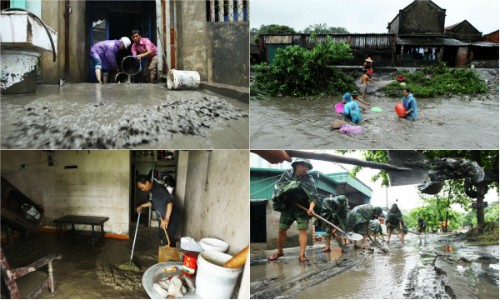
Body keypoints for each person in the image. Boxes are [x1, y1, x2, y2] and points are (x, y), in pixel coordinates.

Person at [268, 158, 319, 263]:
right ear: (296, 166)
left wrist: (310, 208)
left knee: (303, 231)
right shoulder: (288, 175)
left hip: (302, 208)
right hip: (288, 207)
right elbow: (279, 189)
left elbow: (313, 196)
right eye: (302, 166)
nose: (305, 168)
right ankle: (280, 252)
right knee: (281, 230)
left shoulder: (309, 179)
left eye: (307, 167)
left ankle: (302, 255)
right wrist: (284, 195)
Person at [136, 175, 180, 247]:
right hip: (165, 218)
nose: (142, 190)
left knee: (167, 241)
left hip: (170, 219)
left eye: (142, 187)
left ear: (147, 183)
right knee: (164, 238)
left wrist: (167, 219)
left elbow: (169, 202)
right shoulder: (154, 189)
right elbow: (154, 202)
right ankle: (167, 254)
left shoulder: (158, 189)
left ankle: (168, 257)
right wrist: (142, 206)